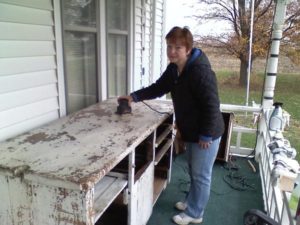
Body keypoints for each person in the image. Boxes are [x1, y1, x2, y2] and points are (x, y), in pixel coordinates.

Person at [118, 26, 224, 225]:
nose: (172, 51)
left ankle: (195, 213)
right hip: (192, 130)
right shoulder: (174, 69)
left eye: (177, 47)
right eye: (169, 46)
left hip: (206, 133)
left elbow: (212, 106)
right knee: (194, 170)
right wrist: (134, 97)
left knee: (201, 175)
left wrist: (206, 135)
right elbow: (158, 87)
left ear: (188, 49)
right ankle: (191, 202)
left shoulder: (200, 72)